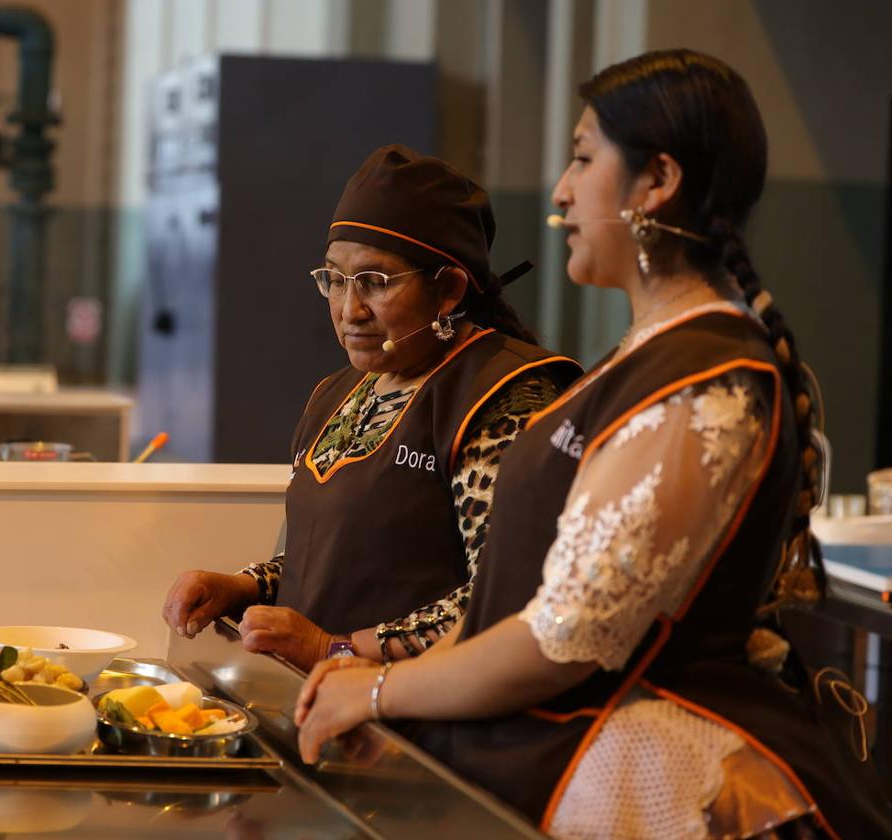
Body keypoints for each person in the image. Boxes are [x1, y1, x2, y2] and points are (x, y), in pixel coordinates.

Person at [295, 51, 892, 838]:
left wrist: (377, 690)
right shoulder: (645, 355)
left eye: (582, 158)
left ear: (658, 182)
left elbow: (559, 639)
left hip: (649, 767)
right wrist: (367, 665)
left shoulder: (706, 382)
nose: (560, 191)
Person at [162, 145, 581, 671]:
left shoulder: (504, 395)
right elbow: (349, 558)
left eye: (375, 283)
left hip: (422, 725)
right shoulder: (338, 393)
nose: (349, 309)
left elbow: (507, 598)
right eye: (335, 280)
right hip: (320, 708)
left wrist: (335, 648)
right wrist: (248, 586)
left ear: (448, 289)